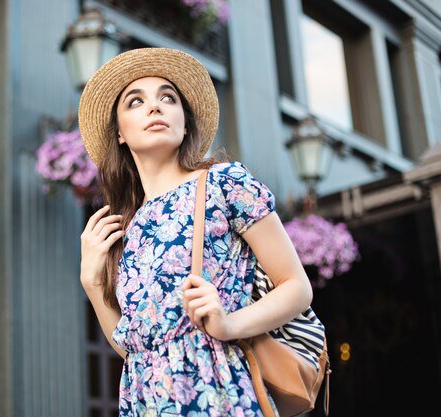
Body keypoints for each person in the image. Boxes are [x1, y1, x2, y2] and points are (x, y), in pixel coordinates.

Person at [78, 47, 313, 416]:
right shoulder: (130, 228)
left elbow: (297, 287)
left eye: (167, 98)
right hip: (146, 403)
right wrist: (91, 284)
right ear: (120, 133)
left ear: (185, 123)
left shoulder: (224, 183)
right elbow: (135, 351)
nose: (154, 107)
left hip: (218, 393)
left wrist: (228, 323)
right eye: (135, 102)